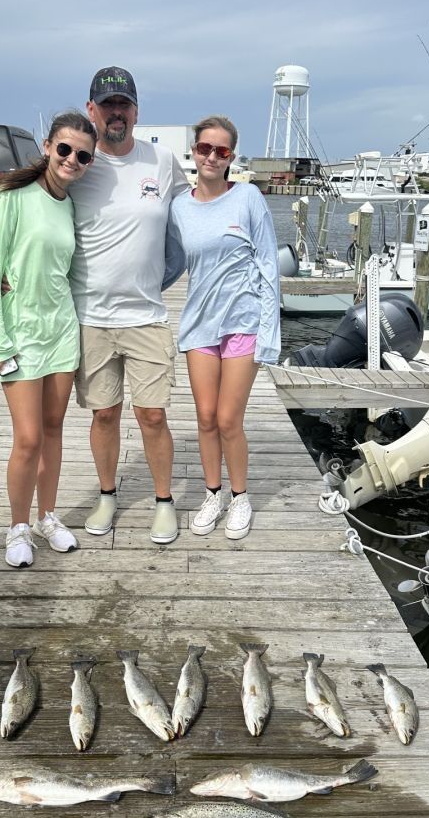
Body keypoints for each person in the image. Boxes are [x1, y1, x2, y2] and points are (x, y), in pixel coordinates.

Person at [66, 67, 192, 544]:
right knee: (104, 414)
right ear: (91, 110)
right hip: (90, 317)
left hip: (146, 315)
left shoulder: (161, 160)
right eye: (107, 104)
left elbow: (192, 217)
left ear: (136, 112)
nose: (116, 113)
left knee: (153, 414)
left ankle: (164, 502)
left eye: (124, 104)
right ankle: (107, 494)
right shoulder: (78, 163)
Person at [0, 110, 97, 568]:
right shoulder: (12, 195)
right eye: (64, 149)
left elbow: (68, 272)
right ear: (47, 147)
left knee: (53, 430)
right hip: (20, 333)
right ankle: (18, 526)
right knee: (27, 439)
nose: (72, 159)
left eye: (83, 155)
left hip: (61, 331)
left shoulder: (70, 205)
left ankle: (47, 516)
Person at [166, 115, 280, 539]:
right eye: (204, 148)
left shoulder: (248, 197)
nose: (212, 156)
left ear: (231, 156)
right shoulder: (179, 206)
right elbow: (173, 263)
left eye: (222, 150)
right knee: (205, 416)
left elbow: (269, 265)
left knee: (230, 419)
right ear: (194, 152)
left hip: (244, 323)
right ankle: (211, 493)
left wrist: (270, 335)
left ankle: (240, 496)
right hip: (199, 324)